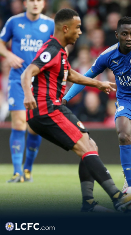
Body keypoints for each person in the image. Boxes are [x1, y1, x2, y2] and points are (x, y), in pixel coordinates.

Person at [21, 8, 131, 212]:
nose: (80, 32)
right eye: (77, 27)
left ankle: (88, 204)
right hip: (47, 109)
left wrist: (97, 84)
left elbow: (69, 74)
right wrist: (27, 95)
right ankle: (117, 197)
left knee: (91, 146)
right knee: (86, 147)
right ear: (65, 28)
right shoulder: (51, 49)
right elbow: (29, 71)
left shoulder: (61, 51)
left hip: (51, 109)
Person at [63, 16, 131, 190]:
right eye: (124, 34)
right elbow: (86, 78)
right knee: (123, 134)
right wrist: (65, 99)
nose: (129, 38)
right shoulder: (108, 55)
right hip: (127, 103)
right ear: (117, 35)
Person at [0, 0, 54, 183]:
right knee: (19, 123)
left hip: (40, 82)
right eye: (31, 0)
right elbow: (1, 43)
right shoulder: (13, 22)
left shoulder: (50, 24)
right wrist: (8, 55)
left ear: (44, 3)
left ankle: (27, 169)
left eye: (39, 0)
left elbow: (61, 49)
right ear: (25, 3)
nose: (35, 3)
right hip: (17, 80)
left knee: (34, 127)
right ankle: (17, 172)